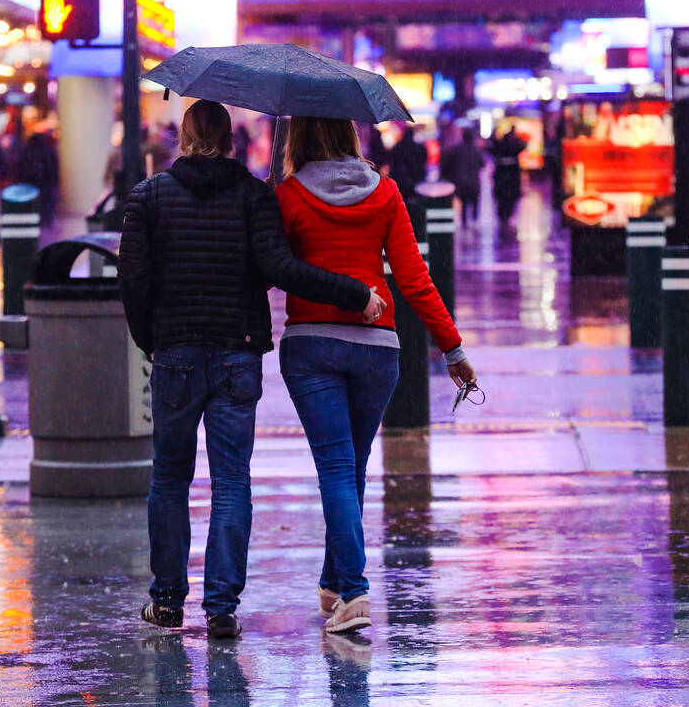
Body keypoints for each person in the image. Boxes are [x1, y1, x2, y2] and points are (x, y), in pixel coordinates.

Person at [117, 100, 387, 640]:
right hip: (237, 354)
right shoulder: (253, 196)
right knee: (231, 481)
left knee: (169, 477)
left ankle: (167, 601)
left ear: (182, 137)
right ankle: (221, 607)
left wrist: (151, 339)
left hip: (173, 354)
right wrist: (355, 292)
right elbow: (281, 270)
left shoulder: (148, 197)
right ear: (230, 141)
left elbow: (133, 278)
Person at [275, 116, 476, 634]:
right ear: (350, 135)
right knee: (351, 467)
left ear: (299, 138)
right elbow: (413, 278)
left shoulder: (291, 196)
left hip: (312, 346)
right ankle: (334, 580)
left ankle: (356, 592)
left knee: (338, 468)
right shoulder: (385, 193)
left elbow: (274, 269)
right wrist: (452, 349)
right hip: (377, 350)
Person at [439, 127, 485, 224]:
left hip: (461, 181)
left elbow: (449, 163)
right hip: (474, 181)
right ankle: (474, 219)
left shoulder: (457, 149)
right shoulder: (476, 150)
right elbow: (482, 163)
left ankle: (464, 221)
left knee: (464, 202)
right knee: (474, 201)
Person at [15, 132, 60, 226]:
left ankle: (34, 220)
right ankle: (46, 220)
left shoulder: (27, 151)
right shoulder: (48, 151)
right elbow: (53, 169)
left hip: (31, 182)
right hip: (45, 183)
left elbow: (20, 166)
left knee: (33, 203)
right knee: (46, 203)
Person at [490, 125, 525, 229]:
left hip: (505, 179)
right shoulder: (512, 146)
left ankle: (504, 216)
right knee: (507, 199)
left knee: (505, 199)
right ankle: (505, 216)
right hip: (508, 179)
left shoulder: (501, 146)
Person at [387, 125, 426, 205]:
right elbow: (424, 159)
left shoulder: (397, 146)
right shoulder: (419, 147)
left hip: (399, 180)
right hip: (414, 179)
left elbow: (391, 160)